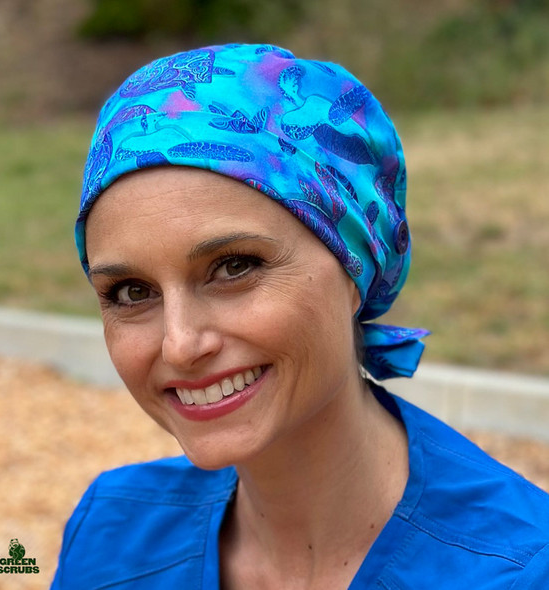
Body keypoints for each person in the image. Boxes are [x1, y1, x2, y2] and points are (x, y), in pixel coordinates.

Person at [51, 44, 549, 589]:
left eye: (234, 266)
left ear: (355, 266)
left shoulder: (518, 569)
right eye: (131, 292)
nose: (180, 344)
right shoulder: (111, 536)